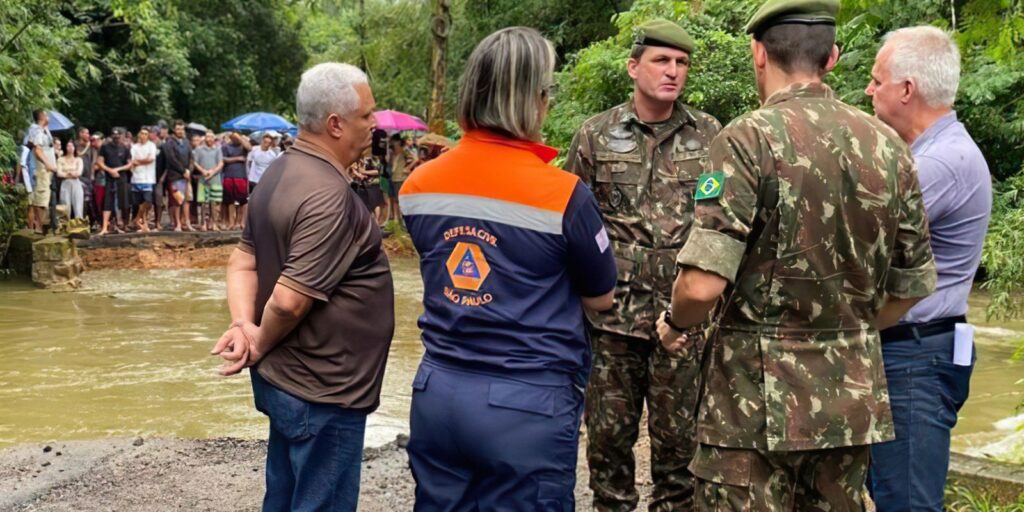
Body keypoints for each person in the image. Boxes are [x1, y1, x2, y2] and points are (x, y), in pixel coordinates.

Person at [655, 1, 938, 509]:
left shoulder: (745, 140)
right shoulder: (889, 147)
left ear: (758, 53)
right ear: (832, 58)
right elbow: (911, 285)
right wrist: (850, 329)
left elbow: (701, 286)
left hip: (752, 407)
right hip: (847, 402)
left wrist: (676, 324)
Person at [399, 27, 617, 510]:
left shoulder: (417, 187)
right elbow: (601, 297)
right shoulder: (563, 195)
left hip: (438, 393)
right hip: (526, 405)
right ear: (533, 100)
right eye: (548, 92)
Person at [211, 62, 393, 512]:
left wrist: (242, 322)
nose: (375, 123)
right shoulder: (328, 196)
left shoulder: (279, 171)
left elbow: (242, 261)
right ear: (335, 124)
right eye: (366, 115)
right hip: (323, 391)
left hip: (288, 381)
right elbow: (291, 303)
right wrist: (255, 339)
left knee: (286, 496)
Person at [563, 18, 722, 511]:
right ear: (634, 67)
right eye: (661, 61)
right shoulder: (595, 135)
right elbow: (571, 224)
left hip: (682, 320)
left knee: (680, 452)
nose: (672, 71)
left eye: (681, 63)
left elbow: (721, 227)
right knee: (609, 448)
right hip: (612, 322)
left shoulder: (710, 135)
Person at [865, 26, 992, 512]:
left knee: (908, 503)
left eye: (877, 81)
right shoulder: (928, 153)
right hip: (911, 351)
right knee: (891, 492)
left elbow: (858, 244)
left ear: (906, 89)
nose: (869, 89)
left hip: (916, 357)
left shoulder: (943, 162)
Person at [96, 128, 132, 236]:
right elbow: (99, 162)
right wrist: (110, 170)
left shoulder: (125, 148)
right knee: (108, 202)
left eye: (118, 136)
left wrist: (118, 170)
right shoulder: (105, 147)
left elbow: (130, 164)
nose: (116, 138)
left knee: (122, 202)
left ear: (121, 136)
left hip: (122, 178)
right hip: (109, 178)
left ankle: (120, 225)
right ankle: (105, 227)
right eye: (114, 136)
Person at [27, 110, 57, 233]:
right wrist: (48, 164)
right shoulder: (37, 130)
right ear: (42, 117)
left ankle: (39, 227)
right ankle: (39, 228)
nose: (49, 117)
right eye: (47, 115)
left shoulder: (43, 130)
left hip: (45, 171)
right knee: (40, 200)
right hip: (41, 170)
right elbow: (37, 150)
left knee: (42, 199)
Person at [193, 130, 224, 231]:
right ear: (205, 138)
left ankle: (214, 223)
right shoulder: (199, 149)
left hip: (215, 178)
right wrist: (203, 171)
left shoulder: (218, 149)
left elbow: (221, 163)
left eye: (211, 137)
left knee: (214, 202)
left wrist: (212, 172)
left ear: (214, 138)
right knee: (203, 202)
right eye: (207, 137)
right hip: (203, 178)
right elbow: (195, 162)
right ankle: (203, 223)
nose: (209, 139)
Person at [221, 132, 252, 230]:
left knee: (243, 200)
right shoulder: (226, 147)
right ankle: (231, 222)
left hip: (241, 176)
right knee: (230, 200)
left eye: (237, 136)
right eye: (234, 137)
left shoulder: (243, 147)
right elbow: (223, 159)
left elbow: (250, 148)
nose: (236, 139)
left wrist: (241, 138)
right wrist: (237, 159)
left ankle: (241, 222)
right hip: (229, 175)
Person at [130, 127, 158, 232]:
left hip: (148, 178)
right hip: (136, 178)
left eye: (146, 134)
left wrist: (139, 161)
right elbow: (132, 161)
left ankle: (137, 219)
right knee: (139, 202)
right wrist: (140, 161)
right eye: (142, 133)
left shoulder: (151, 146)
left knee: (148, 201)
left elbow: (150, 159)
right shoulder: (134, 147)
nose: (143, 135)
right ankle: (143, 224)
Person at [56, 139, 84, 219]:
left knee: (78, 204)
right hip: (65, 183)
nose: (70, 148)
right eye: (68, 146)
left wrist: (68, 173)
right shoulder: (60, 159)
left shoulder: (78, 160)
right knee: (65, 204)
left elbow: (79, 173)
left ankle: (79, 223)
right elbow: (59, 173)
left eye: (72, 146)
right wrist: (71, 173)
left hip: (76, 183)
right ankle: (65, 224)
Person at [387, 134, 412, 220]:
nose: (392, 143)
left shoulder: (404, 151)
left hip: (401, 178)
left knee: (401, 200)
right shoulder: (392, 153)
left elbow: (415, 158)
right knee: (394, 199)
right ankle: (396, 219)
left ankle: (403, 218)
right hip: (393, 178)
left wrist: (407, 168)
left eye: (393, 141)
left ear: (397, 141)